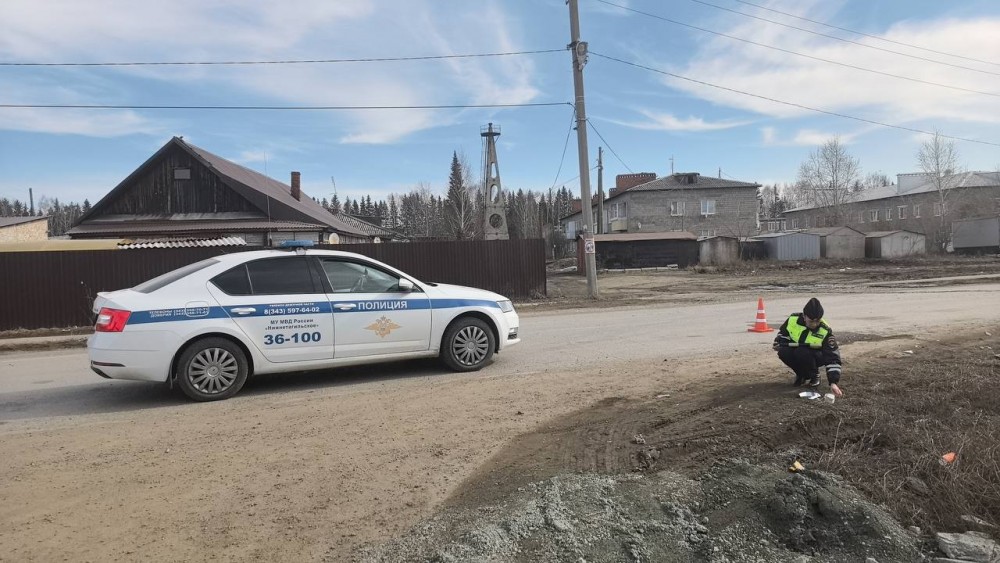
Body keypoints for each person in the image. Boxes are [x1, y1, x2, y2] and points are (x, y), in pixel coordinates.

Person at [773, 297, 843, 397]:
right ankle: (802, 375)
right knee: (784, 352)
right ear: (804, 316)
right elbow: (783, 334)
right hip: (797, 351)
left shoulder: (825, 330)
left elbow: (833, 357)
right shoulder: (793, 320)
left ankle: (815, 376)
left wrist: (833, 382)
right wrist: (778, 343)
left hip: (816, 356)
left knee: (802, 351)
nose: (814, 324)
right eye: (811, 321)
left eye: (817, 321)